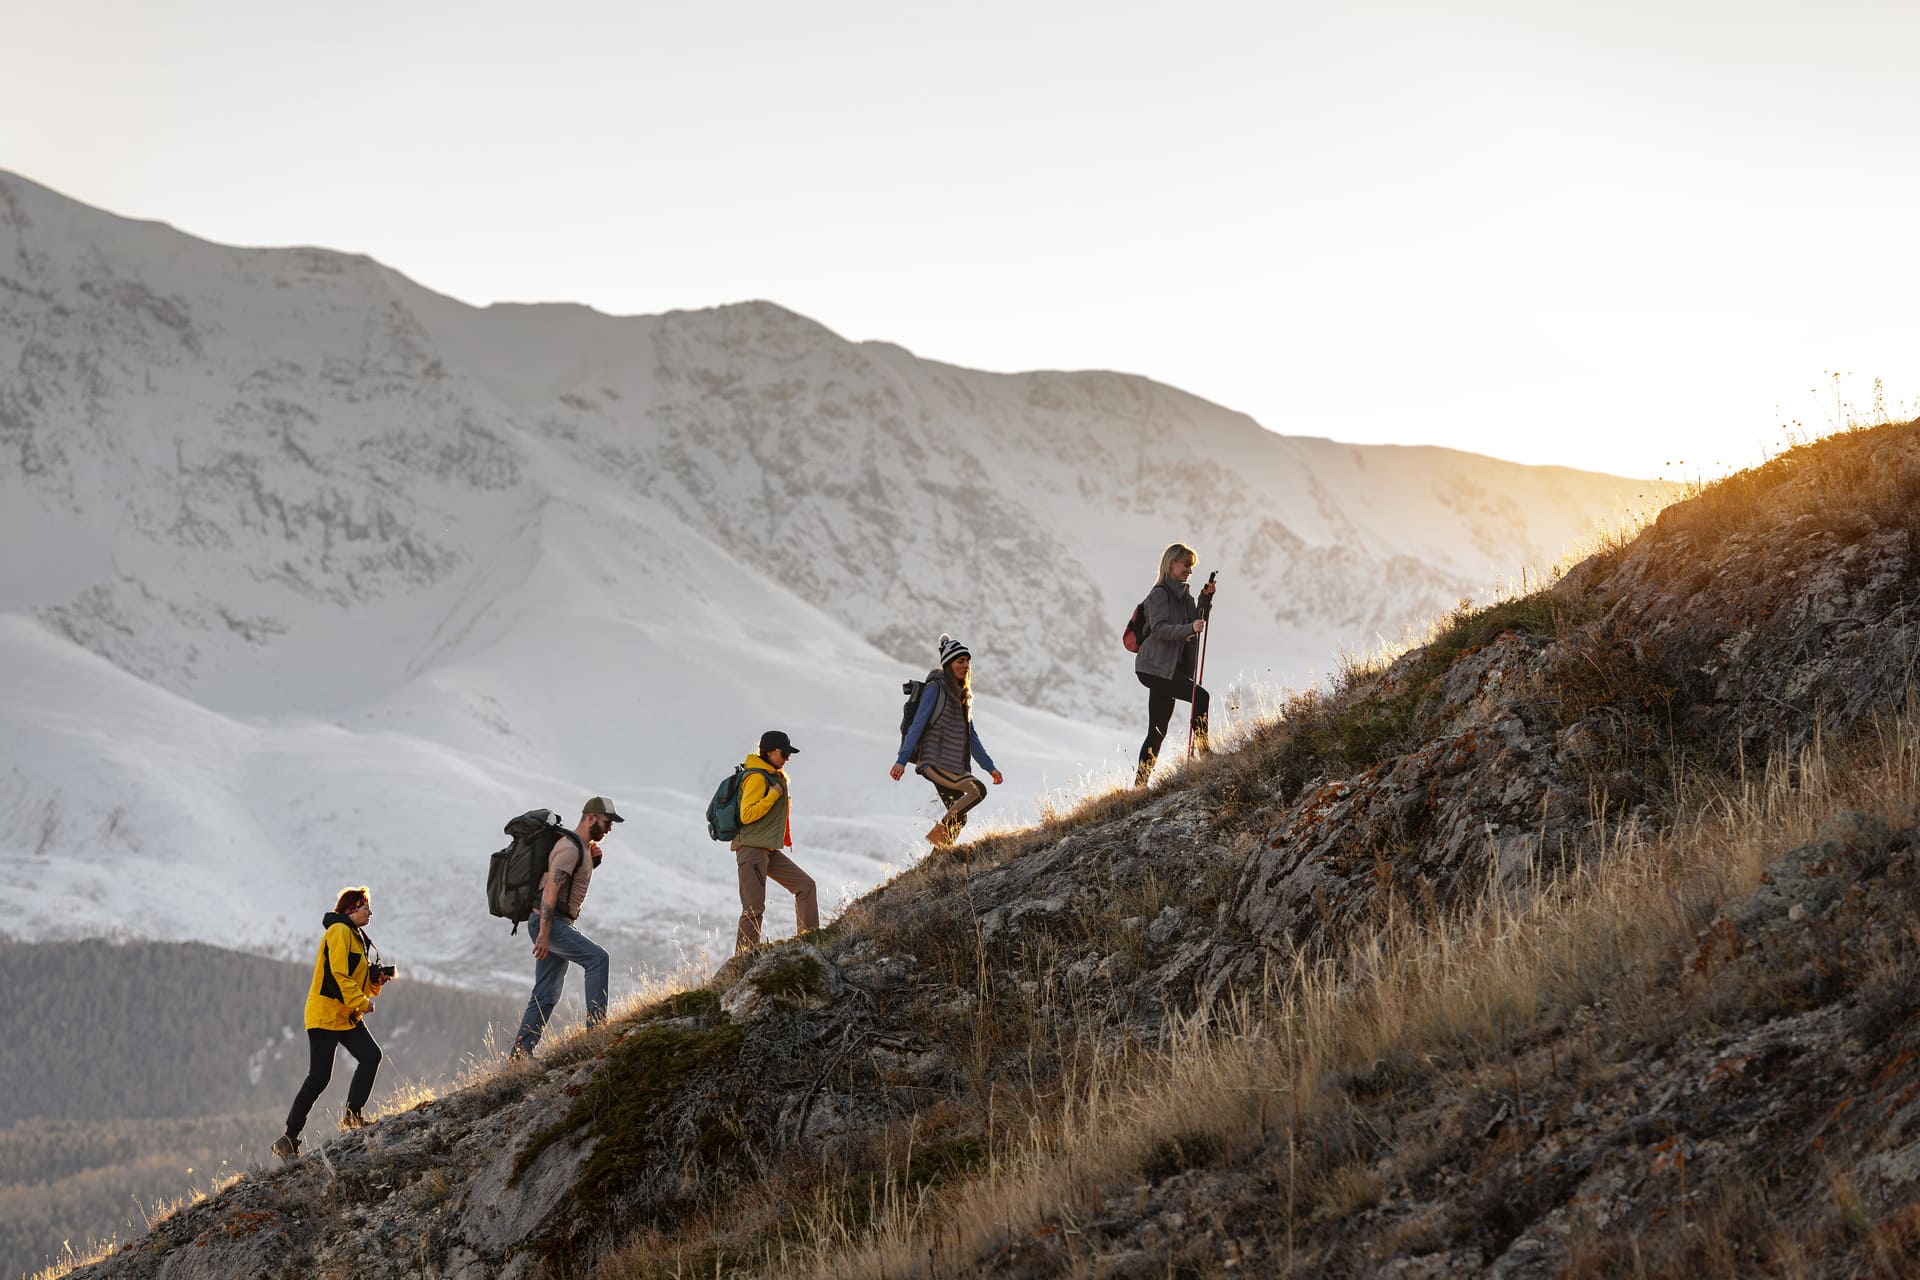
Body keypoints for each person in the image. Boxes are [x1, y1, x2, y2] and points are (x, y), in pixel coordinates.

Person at [272, 886, 393, 1161]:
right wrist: (362, 1002)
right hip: (325, 1016)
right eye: (365, 908)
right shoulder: (339, 932)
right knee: (319, 1077)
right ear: (350, 909)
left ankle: (352, 1117)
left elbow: (354, 977)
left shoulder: (355, 936)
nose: (370, 912)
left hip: (344, 1016)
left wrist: (375, 982)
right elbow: (339, 975)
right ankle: (289, 1138)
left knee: (371, 1056)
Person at [510, 796, 621, 1058]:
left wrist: (591, 862)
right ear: (590, 818)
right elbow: (551, 890)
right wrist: (545, 934)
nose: (609, 829)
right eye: (606, 822)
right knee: (598, 959)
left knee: (546, 993)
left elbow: (569, 884)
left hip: (554, 923)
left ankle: (519, 1056)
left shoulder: (581, 849)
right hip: (548, 923)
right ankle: (596, 1033)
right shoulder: (570, 848)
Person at [890, 633, 1004, 846]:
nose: (966, 665)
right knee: (977, 790)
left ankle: (935, 863)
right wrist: (902, 760)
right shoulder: (936, 688)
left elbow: (972, 738)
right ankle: (936, 837)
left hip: (953, 766)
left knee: (959, 818)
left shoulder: (962, 696)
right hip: (933, 761)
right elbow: (918, 724)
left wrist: (990, 768)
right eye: (961, 661)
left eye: (968, 661)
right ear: (949, 663)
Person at [1134, 542, 1217, 787]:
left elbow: (1196, 621)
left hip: (1165, 669)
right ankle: (1205, 754)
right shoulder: (1159, 594)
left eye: (1191, 566)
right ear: (1171, 564)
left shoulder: (1185, 596)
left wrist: (1205, 599)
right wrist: (1189, 628)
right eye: (1186, 565)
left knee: (1157, 731)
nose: (1189, 570)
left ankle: (1139, 787)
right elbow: (1160, 629)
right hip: (1154, 668)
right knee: (1200, 697)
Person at [732, 730, 818, 955]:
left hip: (767, 849)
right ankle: (743, 963)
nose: (787, 759)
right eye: (784, 753)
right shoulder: (757, 777)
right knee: (753, 909)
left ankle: (810, 944)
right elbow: (746, 815)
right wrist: (772, 795)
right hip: (751, 849)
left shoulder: (772, 776)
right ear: (769, 752)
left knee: (806, 886)